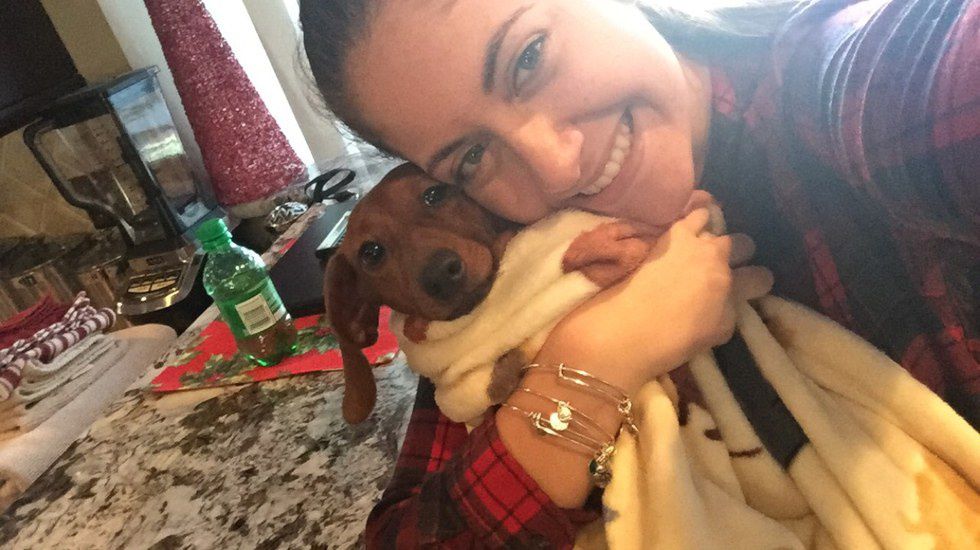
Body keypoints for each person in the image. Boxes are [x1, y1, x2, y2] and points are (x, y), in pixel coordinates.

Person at [299, 0, 980, 546]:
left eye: (529, 57)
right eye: (470, 158)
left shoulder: (858, 88)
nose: (556, 167)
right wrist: (592, 362)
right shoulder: (517, 269)